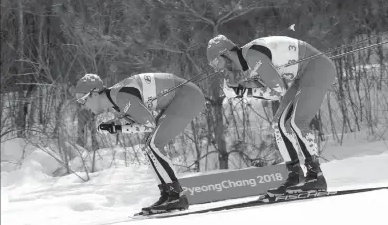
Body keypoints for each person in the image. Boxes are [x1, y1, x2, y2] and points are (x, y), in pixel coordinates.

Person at [206, 34, 336, 198]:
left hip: (317, 68)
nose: (222, 69)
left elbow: (278, 91)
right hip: (302, 76)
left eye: (219, 63)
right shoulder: (248, 61)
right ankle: (295, 175)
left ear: (226, 54)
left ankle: (316, 176)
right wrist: (242, 87)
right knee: (279, 124)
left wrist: (241, 91)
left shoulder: (252, 56)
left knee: (297, 122)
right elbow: (269, 88)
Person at [74, 72, 205, 213]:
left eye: (83, 100)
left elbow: (148, 125)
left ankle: (176, 195)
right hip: (179, 97)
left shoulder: (121, 97)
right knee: (149, 147)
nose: (84, 106)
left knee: (154, 144)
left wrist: (116, 127)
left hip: (188, 96)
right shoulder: (115, 102)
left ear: (94, 94)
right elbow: (136, 120)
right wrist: (115, 124)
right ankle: (167, 195)